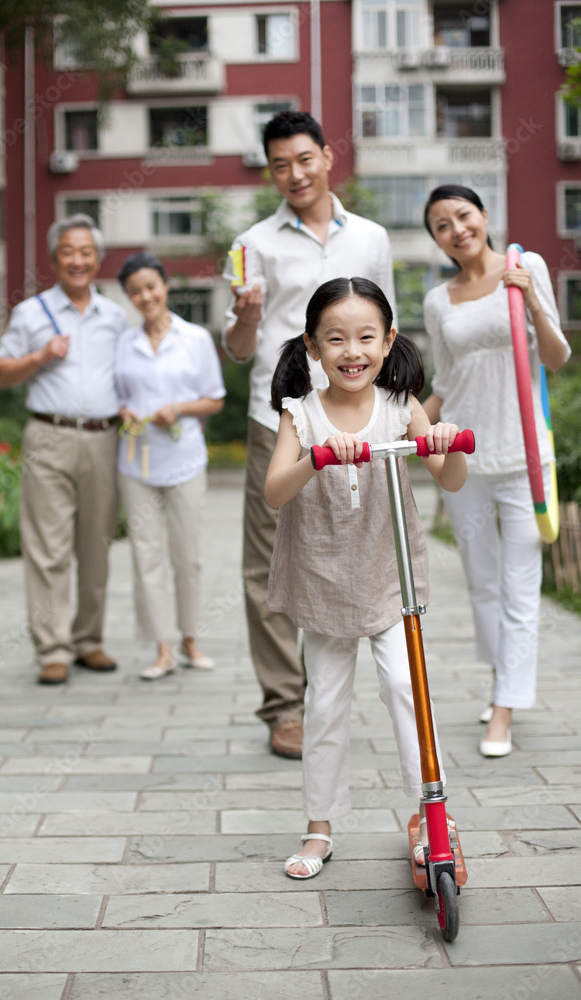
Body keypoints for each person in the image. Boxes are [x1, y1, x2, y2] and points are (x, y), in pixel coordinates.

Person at [265, 276, 466, 878]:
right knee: (325, 703)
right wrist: (317, 456)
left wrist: (444, 440)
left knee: (407, 689)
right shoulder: (300, 413)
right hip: (324, 577)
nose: (351, 352)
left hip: (389, 575)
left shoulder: (401, 408)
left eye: (364, 338)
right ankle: (319, 827)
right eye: (335, 340)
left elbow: (449, 478)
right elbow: (275, 491)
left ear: (387, 342)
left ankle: (432, 813)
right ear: (312, 347)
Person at [224, 110, 397, 760]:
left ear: (326, 156)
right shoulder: (251, 243)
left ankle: (351, 680)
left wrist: (395, 406)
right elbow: (240, 349)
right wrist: (244, 316)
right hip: (280, 419)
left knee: (361, 544)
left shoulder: (371, 237)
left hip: (358, 417)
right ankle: (282, 706)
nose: (292, 174)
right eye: (278, 165)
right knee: (265, 563)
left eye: (302, 159)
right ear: (269, 171)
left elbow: (385, 328)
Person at [422, 185, 571, 757]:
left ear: (483, 216)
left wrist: (531, 298)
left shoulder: (524, 265)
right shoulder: (439, 300)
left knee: (518, 586)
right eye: (441, 224)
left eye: (463, 215)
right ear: (436, 237)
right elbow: (444, 384)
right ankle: (499, 682)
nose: (456, 229)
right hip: (464, 456)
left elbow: (556, 357)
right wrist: (401, 423)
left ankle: (505, 710)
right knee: (482, 584)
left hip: (525, 457)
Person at [0, 214, 128, 685]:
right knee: (47, 547)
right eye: (68, 252)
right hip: (48, 437)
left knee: (97, 544)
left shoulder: (114, 314)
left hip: (104, 437)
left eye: (86, 251)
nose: (77, 260)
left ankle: (88, 640)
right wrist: (39, 357)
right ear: (54, 259)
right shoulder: (31, 313)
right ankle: (52, 648)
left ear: (97, 257)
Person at [115, 252, 226, 680]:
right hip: (136, 462)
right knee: (146, 556)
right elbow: (118, 396)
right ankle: (162, 648)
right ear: (129, 297)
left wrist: (177, 409)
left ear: (164, 286)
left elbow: (214, 398)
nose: (145, 296)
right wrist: (125, 411)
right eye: (135, 291)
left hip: (184, 460)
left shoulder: (194, 338)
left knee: (187, 555)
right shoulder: (124, 343)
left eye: (151, 286)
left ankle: (190, 639)